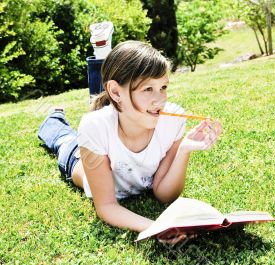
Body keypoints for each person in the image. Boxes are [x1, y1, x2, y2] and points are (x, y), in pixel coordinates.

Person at [37, 40, 222, 244]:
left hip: (102, 131)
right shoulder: (94, 127)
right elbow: (106, 206)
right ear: (116, 92)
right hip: (75, 159)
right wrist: (156, 228)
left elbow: (163, 194)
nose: (160, 100)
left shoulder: (174, 120)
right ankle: (54, 116)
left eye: (163, 87)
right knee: (62, 139)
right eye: (147, 89)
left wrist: (184, 150)